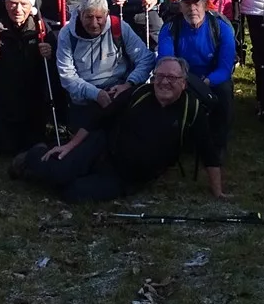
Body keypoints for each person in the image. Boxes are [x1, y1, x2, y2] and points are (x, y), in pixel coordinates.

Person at [12, 56, 225, 201]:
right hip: (101, 149)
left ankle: (45, 172)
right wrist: (69, 146)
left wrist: (218, 193)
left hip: (128, 178)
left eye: (172, 78)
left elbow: (208, 151)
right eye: (160, 76)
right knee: (60, 173)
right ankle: (33, 155)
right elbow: (99, 119)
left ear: (184, 83)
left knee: (73, 193)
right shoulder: (139, 93)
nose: (164, 82)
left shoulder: (192, 108)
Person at [157, 0, 238, 158]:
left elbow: (225, 68)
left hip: (212, 78)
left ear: (205, 4)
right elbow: (165, 61)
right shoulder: (170, 28)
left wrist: (206, 82)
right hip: (181, 79)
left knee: (224, 90)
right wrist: (184, 82)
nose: (192, 8)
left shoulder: (221, 27)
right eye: (187, 3)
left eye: (197, 3)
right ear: (180, 6)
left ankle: (219, 143)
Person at [55, 0, 154, 130]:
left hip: (118, 91)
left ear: (107, 14)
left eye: (99, 18)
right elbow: (67, 77)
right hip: (84, 99)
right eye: (89, 17)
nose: (94, 24)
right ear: (79, 13)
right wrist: (96, 94)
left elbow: (146, 59)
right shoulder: (67, 34)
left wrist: (129, 84)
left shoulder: (118, 27)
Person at [0, 0, 57, 154]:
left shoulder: (42, 29)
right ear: (6, 3)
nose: (17, 9)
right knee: (5, 148)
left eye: (23, 4)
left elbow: (55, 68)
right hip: (5, 96)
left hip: (33, 96)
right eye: (13, 3)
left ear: (30, 5)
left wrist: (50, 53)